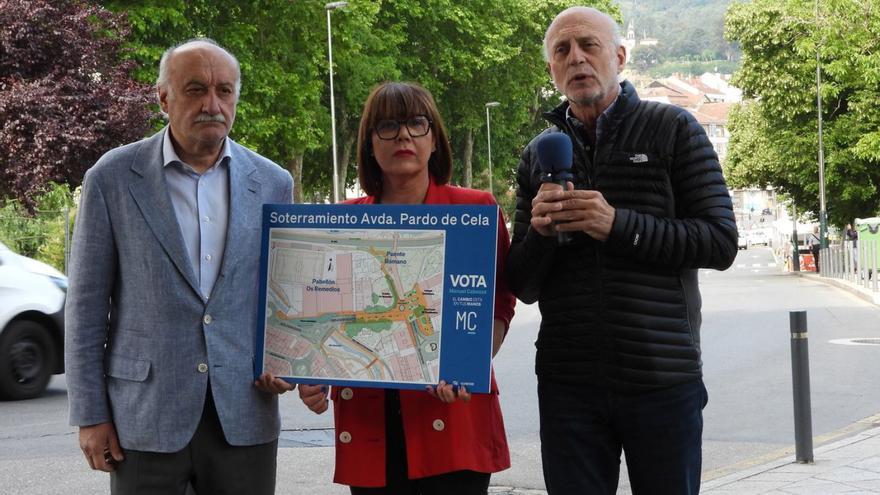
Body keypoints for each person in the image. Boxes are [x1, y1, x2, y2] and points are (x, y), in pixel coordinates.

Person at [506, 7, 737, 495]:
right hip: (568, 385)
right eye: (562, 51)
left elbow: (719, 241)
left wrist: (617, 225)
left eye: (589, 45)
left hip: (663, 376)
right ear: (551, 70)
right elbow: (522, 286)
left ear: (619, 55)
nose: (577, 59)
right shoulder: (538, 153)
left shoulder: (675, 128)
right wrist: (542, 233)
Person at [65, 38, 293, 494]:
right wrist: (90, 415)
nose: (212, 104)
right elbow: (86, 308)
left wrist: (289, 359)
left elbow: (285, 295)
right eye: (195, 89)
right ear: (164, 97)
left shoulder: (273, 182)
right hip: (144, 420)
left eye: (224, 91)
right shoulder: (111, 178)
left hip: (244, 413)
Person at [291, 81, 516, 494]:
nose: (404, 136)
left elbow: (500, 306)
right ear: (370, 144)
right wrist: (313, 375)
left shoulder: (476, 210)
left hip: (453, 426)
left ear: (435, 139)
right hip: (370, 426)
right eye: (388, 126)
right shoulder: (341, 223)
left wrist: (467, 367)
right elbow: (320, 326)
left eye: (416, 123)